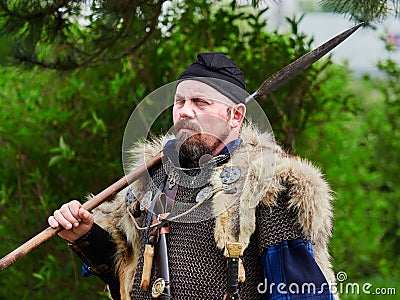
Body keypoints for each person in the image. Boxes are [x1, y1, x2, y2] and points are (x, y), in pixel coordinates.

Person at [48, 53, 338, 300]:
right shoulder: (151, 177)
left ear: (235, 116)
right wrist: (84, 235)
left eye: (200, 102)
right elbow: (124, 269)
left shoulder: (266, 184)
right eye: (180, 102)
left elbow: (299, 291)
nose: (185, 112)